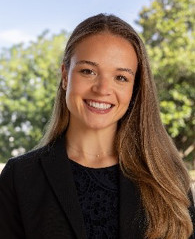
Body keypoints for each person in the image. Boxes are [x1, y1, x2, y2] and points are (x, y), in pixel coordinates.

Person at [0, 13, 194, 239]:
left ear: (135, 88)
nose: (102, 89)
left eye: (121, 77)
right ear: (65, 76)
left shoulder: (168, 179)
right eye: (88, 71)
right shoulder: (20, 177)